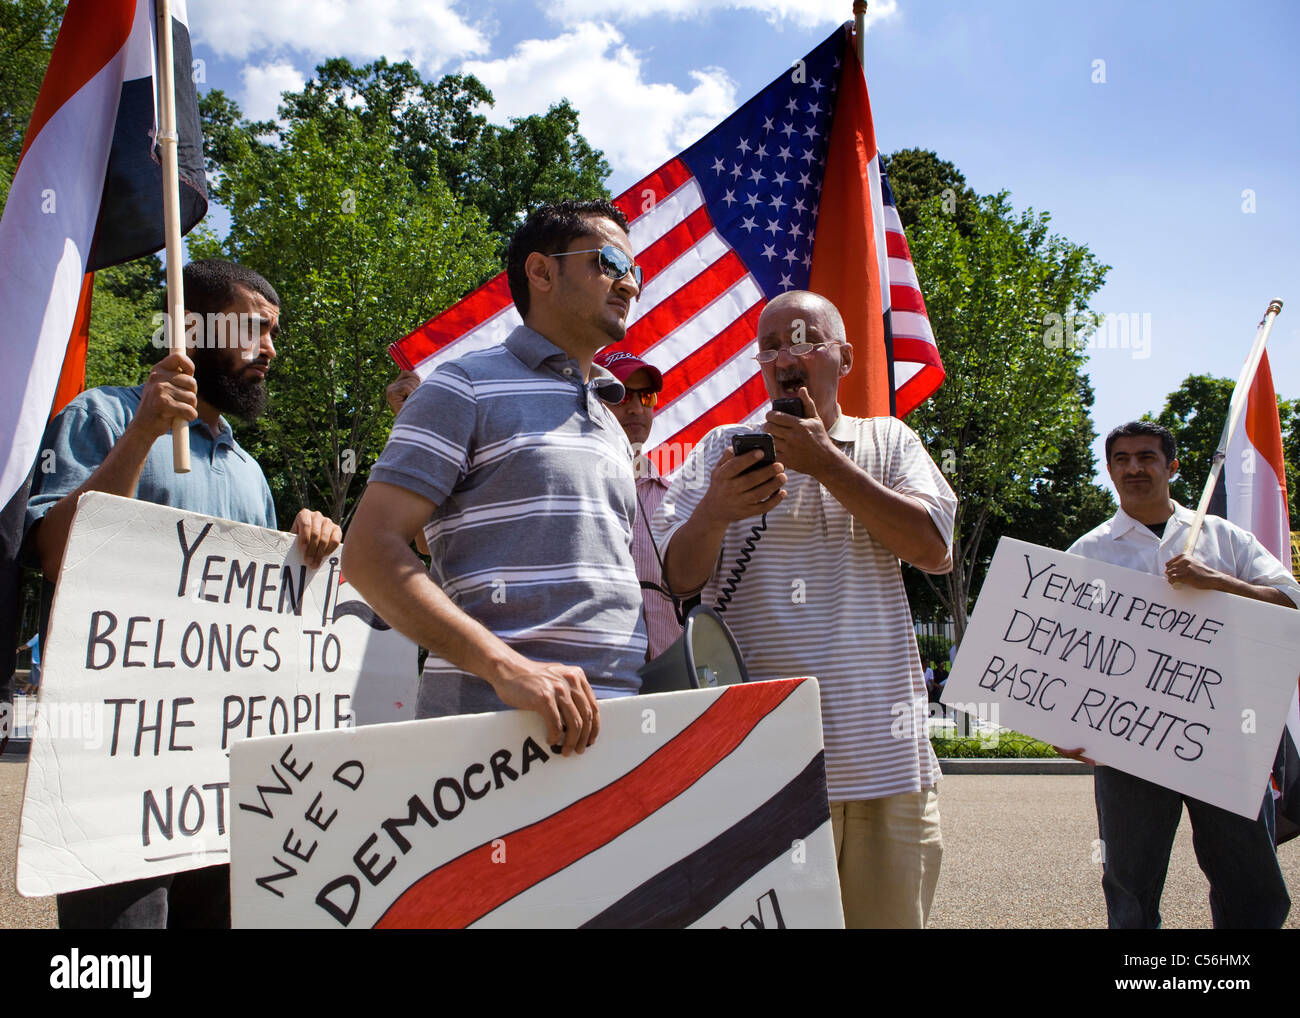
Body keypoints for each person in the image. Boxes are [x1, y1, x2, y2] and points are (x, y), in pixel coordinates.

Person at [24, 258, 342, 929]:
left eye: (273, 334)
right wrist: (142, 433)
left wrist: (306, 553)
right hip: (113, 765)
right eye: (254, 330)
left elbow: (261, 625)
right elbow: (56, 555)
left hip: (219, 772)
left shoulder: (248, 470)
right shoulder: (102, 416)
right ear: (189, 327)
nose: (270, 351)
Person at [652, 289, 956, 928]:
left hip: (885, 766)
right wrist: (715, 512)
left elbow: (934, 550)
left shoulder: (888, 442)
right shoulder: (717, 453)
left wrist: (827, 465)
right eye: (771, 345)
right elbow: (677, 578)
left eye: (805, 339)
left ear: (844, 359)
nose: (787, 353)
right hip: (758, 767)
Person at [342, 200, 648, 754]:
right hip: (492, 738)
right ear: (541, 272)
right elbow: (367, 552)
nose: (629, 284)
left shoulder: (611, 423)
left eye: (637, 272)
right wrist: (508, 669)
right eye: (608, 261)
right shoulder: (459, 387)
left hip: (620, 731)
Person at [1062, 420, 1296, 929]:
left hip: (1225, 734)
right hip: (1127, 743)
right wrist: (1061, 727)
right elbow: (1061, 648)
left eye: (1146, 457)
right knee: (1129, 879)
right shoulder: (1088, 553)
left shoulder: (1224, 539)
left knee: (1247, 875)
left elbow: (1292, 602)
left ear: (1172, 466)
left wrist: (1221, 582)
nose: (1133, 468)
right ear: (1109, 470)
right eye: (1121, 459)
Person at [592, 347, 682, 660]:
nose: (636, 409)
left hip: (673, 686)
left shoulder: (680, 499)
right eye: (621, 396)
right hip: (596, 684)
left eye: (646, 397)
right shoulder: (570, 495)